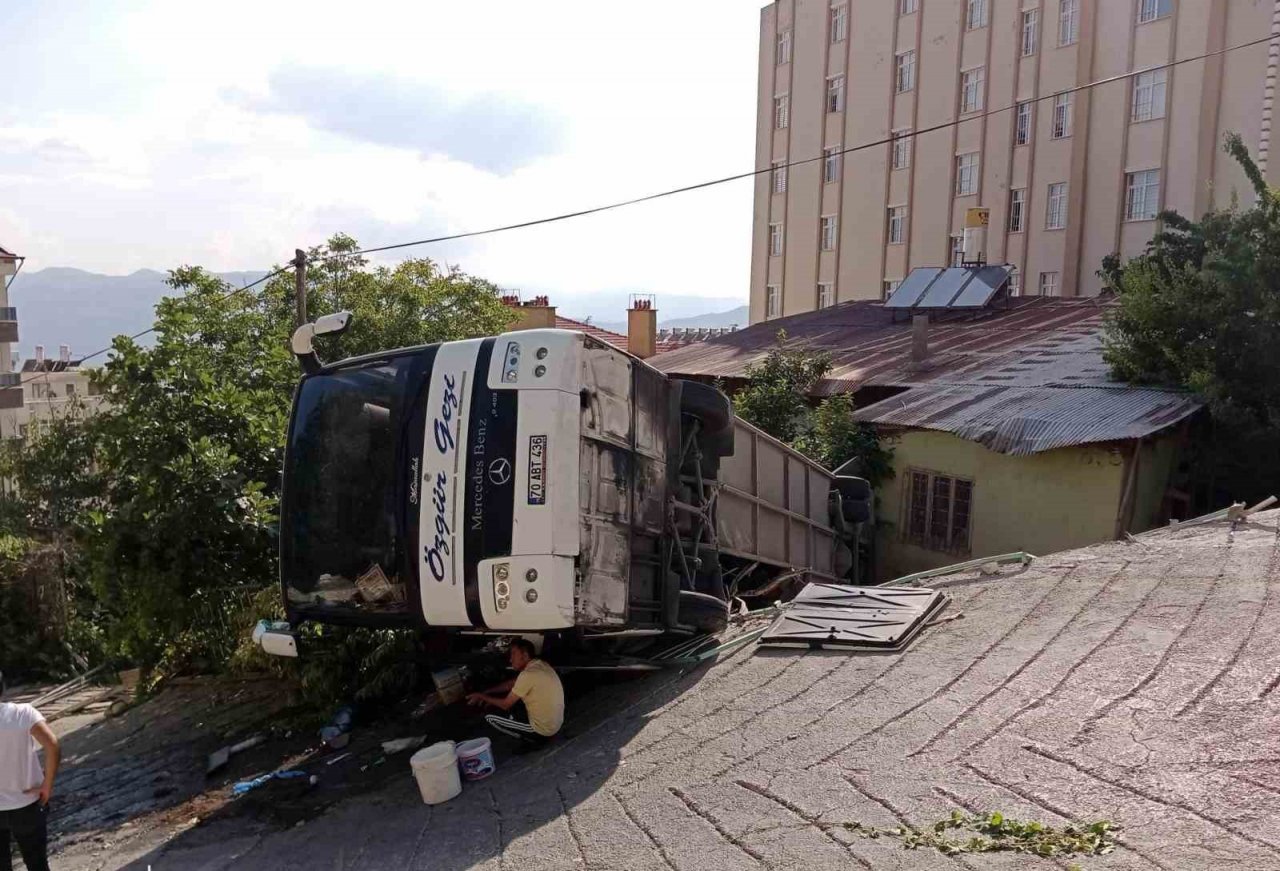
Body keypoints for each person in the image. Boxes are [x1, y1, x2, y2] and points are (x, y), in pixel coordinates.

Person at [0, 671, 60, 871]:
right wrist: (47, 786)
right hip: (27, 803)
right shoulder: (23, 713)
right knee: (38, 865)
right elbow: (52, 745)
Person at [466, 639, 564, 748]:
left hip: (543, 730)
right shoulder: (540, 665)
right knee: (514, 698)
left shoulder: (527, 674)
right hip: (555, 725)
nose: (510, 659)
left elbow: (505, 704)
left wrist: (481, 696)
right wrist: (487, 692)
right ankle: (535, 733)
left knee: (490, 717)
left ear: (525, 655)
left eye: (513, 654)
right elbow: (512, 683)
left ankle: (533, 741)